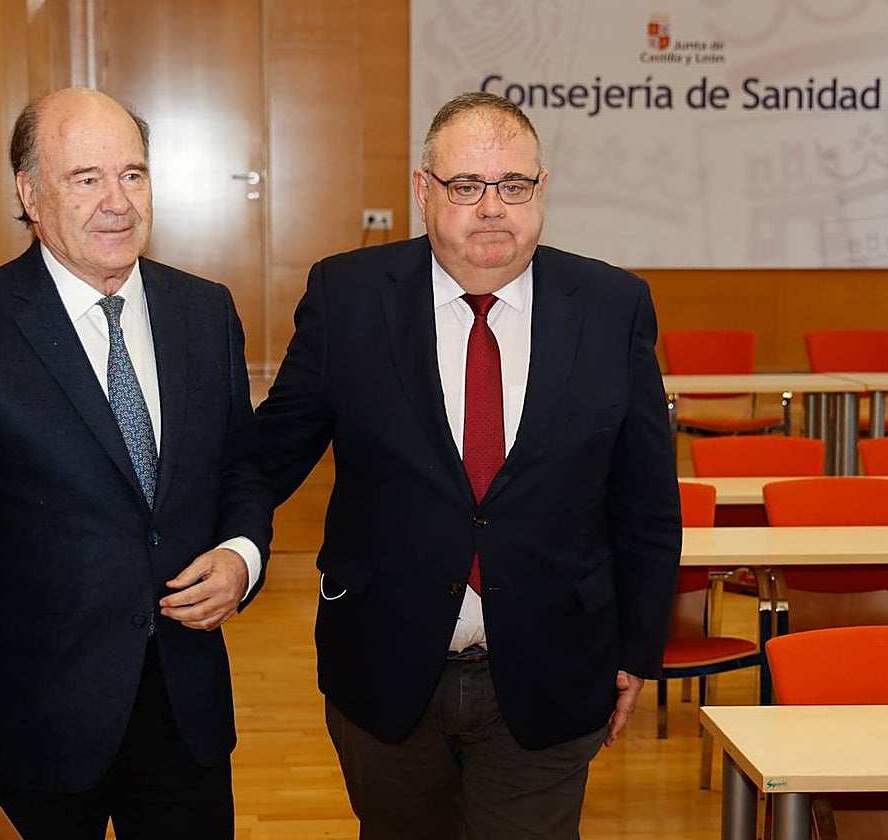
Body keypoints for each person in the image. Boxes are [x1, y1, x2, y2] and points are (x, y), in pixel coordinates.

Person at [254, 91, 682, 839]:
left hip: (551, 666)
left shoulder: (613, 306)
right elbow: (266, 458)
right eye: (466, 187)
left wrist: (638, 648)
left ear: (542, 190)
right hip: (384, 668)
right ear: (423, 192)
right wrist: (212, 544)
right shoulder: (348, 298)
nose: (493, 208)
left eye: (514, 186)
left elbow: (645, 500)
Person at [0, 88, 272, 840]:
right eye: (85, 178)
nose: (117, 202)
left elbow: (241, 472)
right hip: (37, 728)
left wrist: (240, 557)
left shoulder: (205, 312)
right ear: (29, 194)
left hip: (185, 717)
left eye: (133, 174)